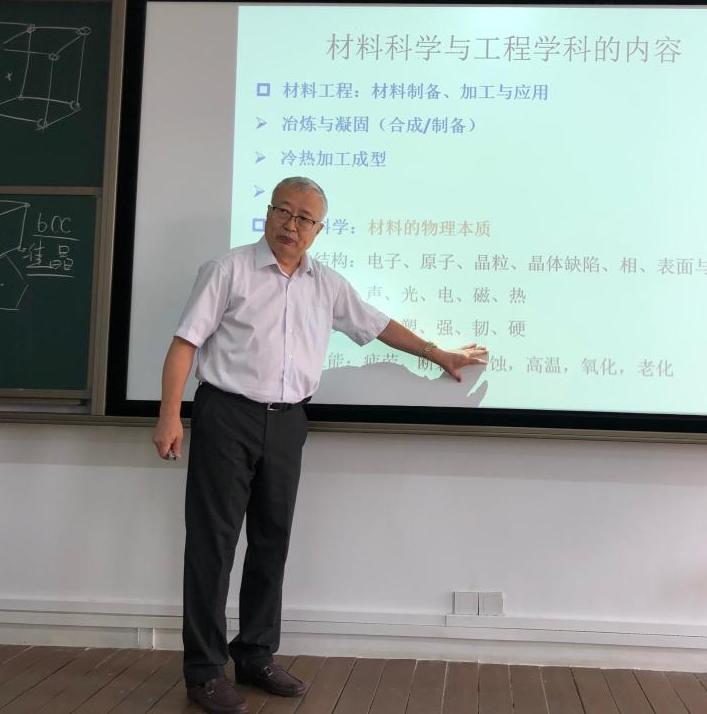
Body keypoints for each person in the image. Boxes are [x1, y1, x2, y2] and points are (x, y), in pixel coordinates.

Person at [152, 177, 487, 714]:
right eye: (284, 211)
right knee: (213, 544)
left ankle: (255, 655)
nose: (292, 225)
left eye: (305, 218)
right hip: (227, 416)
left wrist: (437, 353)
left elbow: (377, 324)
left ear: (318, 230)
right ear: (268, 214)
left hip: (288, 422)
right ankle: (205, 671)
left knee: (272, 542)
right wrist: (170, 414)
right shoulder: (227, 270)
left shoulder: (326, 284)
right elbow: (184, 344)